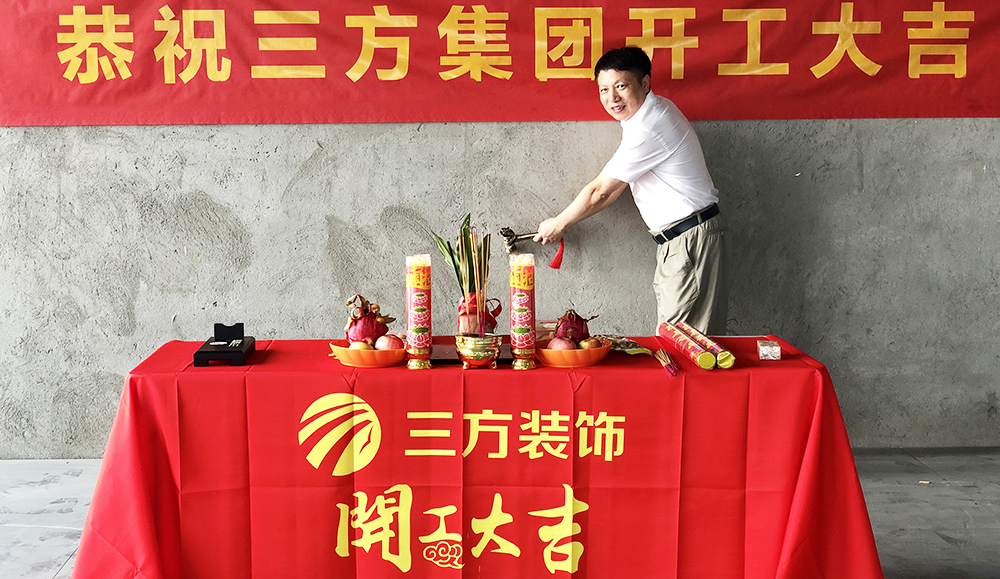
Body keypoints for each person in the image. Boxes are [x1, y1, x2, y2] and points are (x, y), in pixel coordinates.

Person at [534, 46, 728, 335]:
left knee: (682, 344)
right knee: (687, 341)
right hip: (684, 240)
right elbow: (613, 191)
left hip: (689, 242)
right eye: (604, 89)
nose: (612, 98)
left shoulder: (650, 126)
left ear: (645, 83)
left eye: (621, 86)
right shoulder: (649, 114)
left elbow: (600, 191)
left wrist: (558, 223)